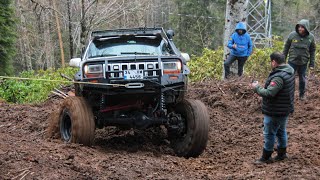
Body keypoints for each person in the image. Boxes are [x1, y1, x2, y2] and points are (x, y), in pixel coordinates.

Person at [251, 52, 295, 164]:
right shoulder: (289, 71)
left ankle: (266, 157)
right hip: (284, 108)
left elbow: (269, 93)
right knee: (281, 131)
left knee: (269, 133)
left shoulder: (279, 77)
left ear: (274, 62)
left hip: (275, 111)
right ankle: (282, 154)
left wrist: (257, 88)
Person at [283, 19, 316, 100]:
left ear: (306, 28)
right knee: (290, 79)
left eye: (302, 27)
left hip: (303, 62)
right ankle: (290, 95)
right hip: (292, 61)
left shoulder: (311, 37)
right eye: (299, 27)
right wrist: (283, 60)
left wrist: (312, 64)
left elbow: (312, 51)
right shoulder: (292, 35)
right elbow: (286, 47)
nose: (300, 29)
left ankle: (302, 95)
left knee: (302, 80)